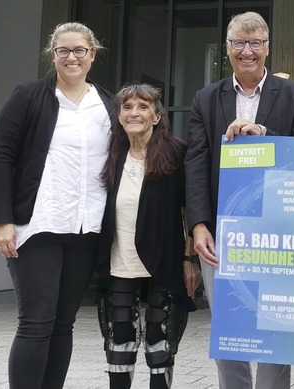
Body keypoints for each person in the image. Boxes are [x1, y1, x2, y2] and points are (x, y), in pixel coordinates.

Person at [184, 11, 294, 389]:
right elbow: (195, 163)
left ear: (267, 48)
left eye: (255, 42)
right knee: (229, 324)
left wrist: (263, 134)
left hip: (277, 231)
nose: (247, 51)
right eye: (239, 42)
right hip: (221, 233)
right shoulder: (206, 98)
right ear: (227, 49)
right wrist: (198, 225)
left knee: (275, 324)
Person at [0, 22, 115, 389]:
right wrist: (2, 221)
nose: (71, 57)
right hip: (37, 226)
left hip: (85, 229)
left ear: (93, 54)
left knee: (63, 323)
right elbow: (1, 158)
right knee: (36, 322)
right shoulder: (28, 96)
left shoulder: (107, 104)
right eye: (64, 51)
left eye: (79, 50)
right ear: (53, 55)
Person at [97, 83, 197, 389]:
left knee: (160, 342)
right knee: (120, 339)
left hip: (163, 259)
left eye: (143, 107)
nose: (134, 113)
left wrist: (189, 259)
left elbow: (191, 209)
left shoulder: (177, 153)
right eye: (127, 107)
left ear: (156, 116)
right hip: (119, 258)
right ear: (119, 116)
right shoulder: (111, 154)